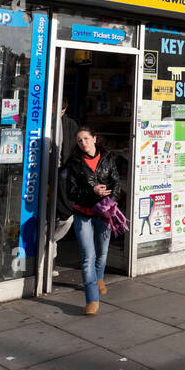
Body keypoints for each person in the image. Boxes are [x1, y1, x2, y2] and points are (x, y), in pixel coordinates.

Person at [59, 127, 123, 315]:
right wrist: (92, 191)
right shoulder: (74, 164)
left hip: (104, 213)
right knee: (88, 257)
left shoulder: (108, 158)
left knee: (102, 253)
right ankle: (92, 299)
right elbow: (71, 192)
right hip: (83, 214)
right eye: (79, 140)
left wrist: (111, 200)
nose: (83, 143)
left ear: (94, 138)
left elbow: (116, 182)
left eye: (86, 138)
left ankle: (99, 278)